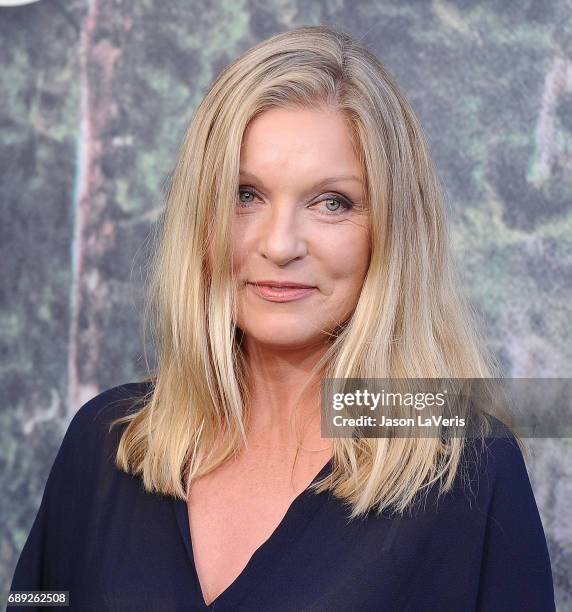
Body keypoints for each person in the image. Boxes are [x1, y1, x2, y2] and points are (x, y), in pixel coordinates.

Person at [9, 24, 555, 611]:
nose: (280, 243)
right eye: (246, 194)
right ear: (203, 215)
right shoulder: (106, 441)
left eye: (331, 203)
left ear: (392, 232)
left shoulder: (468, 466)